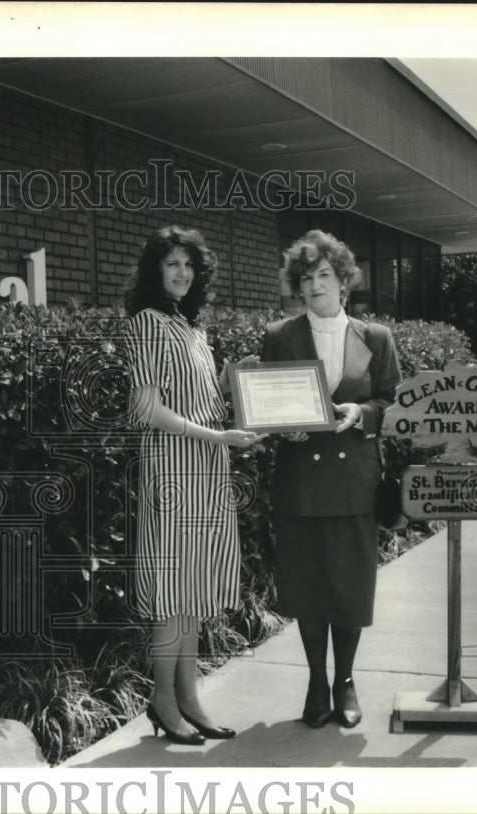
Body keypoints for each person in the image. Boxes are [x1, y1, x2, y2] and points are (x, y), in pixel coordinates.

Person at [122, 225, 263, 745]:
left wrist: (229, 381)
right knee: (170, 591)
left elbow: (194, 398)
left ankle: (187, 698)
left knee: (193, 589)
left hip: (205, 468)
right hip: (173, 470)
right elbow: (144, 407)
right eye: (172, 263)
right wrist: (217, 435)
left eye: (190, 265)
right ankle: (162, 699)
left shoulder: (193, 329)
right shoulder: (147, 323)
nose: (182, 272)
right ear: (155, 270)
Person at [261, 229, 400, 728]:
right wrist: (284, 429)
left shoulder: (376, 337)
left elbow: (394, 403)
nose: (316, 284)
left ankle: (345, 680)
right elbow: (267, 403)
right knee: (308, 583)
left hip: (354, 481)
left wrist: (360, 412)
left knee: (349, 585)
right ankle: (316, 681)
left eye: (325, 275)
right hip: (301, 481)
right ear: (297, 288)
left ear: (344, 283)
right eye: (306, 277)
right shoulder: (279, 336)